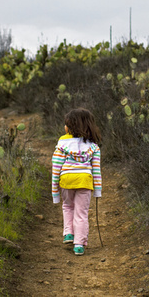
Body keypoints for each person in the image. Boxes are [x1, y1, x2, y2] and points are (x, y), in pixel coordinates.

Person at [51, 107, 102, 256]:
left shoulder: (62, 145)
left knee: (67, 206)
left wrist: (55, 192)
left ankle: (68, 234)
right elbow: (96, 171)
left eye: (66, 124)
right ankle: (79, 245)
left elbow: (56, 168)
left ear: (70, 127)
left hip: (66, 180)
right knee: (82, 213)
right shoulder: (93, 147)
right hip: (84, 181)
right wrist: (97, 191)